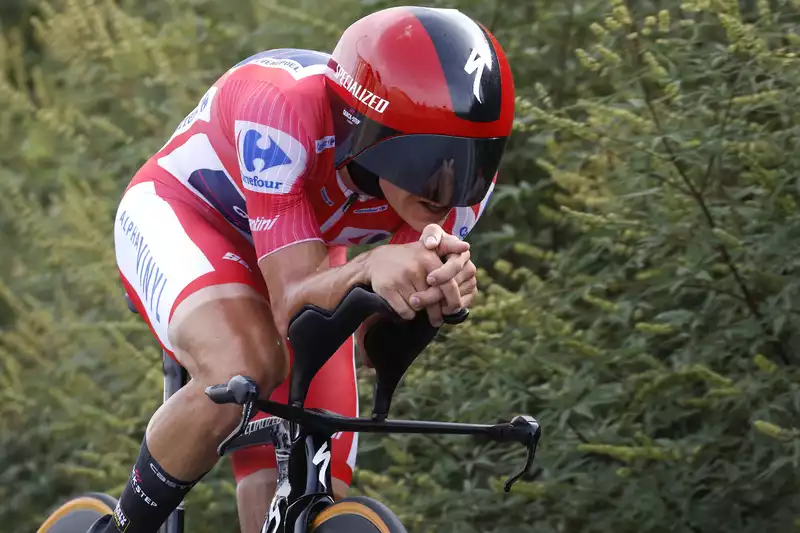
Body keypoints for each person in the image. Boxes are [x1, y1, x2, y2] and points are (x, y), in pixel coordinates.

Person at [95, 5, 514, 533]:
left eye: (472, 163)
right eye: (429, 163)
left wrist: (429, 301)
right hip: (185, 213)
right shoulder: (284, 109)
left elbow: (367, 340)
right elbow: (290, 297)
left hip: (303, 248)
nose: (449, 190)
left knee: (320, 460)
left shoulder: (458, 193)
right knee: (243, 366)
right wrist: (372, 266)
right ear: (370, 130)